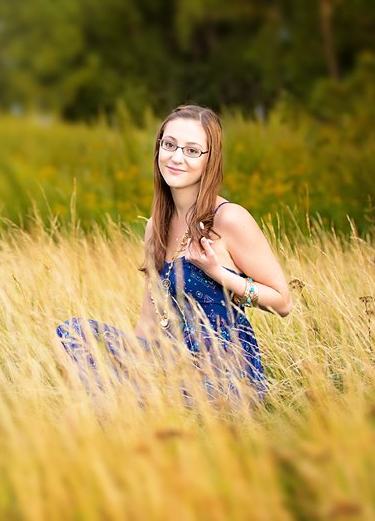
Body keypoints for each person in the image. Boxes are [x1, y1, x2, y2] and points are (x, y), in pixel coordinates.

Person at [56, 104, 293, 406]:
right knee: (72, 333)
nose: (176, 157)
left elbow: (283, 304)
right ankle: (113, 406)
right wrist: (134, 364)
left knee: (134, 397)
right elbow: (149, 322)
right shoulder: (156, 228)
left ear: (210, 160)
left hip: (226, 370)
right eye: (169, 145)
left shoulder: (229, 219)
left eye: (192, 150)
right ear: (159, 149)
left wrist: (220, 275)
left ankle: (126, 405)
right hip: (174, 362)